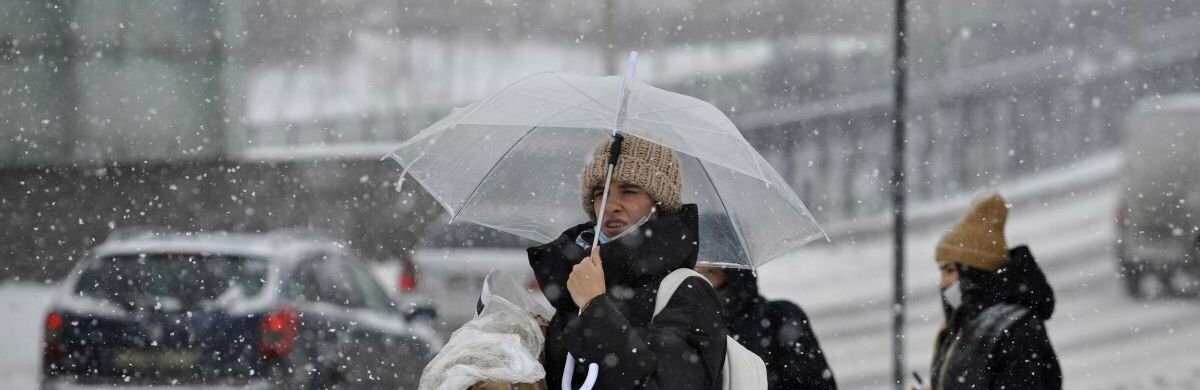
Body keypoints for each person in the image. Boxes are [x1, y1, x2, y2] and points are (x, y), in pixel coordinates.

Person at [527, 135, 727, 389]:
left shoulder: (686, 292)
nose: (611, 206)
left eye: (629, 191)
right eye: (601, 192)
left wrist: (593, 307)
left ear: (660, 203)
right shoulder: (574, 281)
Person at [926, 192, 1062, 390]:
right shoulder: (964, 323)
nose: (942, 283)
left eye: (949, 271)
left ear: (972, 273)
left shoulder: (1016, 331)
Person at [695, 265, 837, 390]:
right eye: (695, 272)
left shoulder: (780, 317)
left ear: (735, 275)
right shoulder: (690, 328)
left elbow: (815, 383)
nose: (701, 279)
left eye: (711, 271)